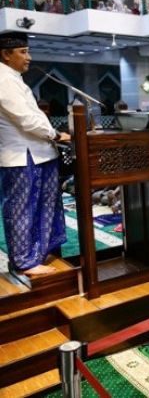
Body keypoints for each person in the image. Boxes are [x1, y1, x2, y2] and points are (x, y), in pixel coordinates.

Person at [0, 32, 70, 276]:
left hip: (38, 154)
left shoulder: (14, 78)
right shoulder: (3, 80)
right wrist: (55, 135)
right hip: (22, 156)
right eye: (23, 52)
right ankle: (23, 261)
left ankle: (37, 254)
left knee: (42, 206)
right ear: (6, 55)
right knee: (22, 209)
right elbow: (26, 120)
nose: (29, 57)